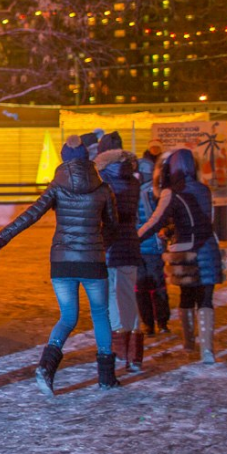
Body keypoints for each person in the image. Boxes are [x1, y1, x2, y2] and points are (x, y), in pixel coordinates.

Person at [0, 135, 120, 394]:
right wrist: (98, 244)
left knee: (68, 316)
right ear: (87, 158)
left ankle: (46, 366)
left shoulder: (56, 187)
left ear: (63, 160)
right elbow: (113, 225)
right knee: (100, 314)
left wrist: (2, 237)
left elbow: (30, 215)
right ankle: (106, 377)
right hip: (93, 261)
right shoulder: (103, 188)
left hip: (62, 262)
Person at [139, 149, 224, 364]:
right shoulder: (204, 190)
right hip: (208, 248)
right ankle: (207, 350)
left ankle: (189, 344)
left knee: (187, 297)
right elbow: (203, 220)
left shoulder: (171, 192)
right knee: (206, 299)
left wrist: (133, 238)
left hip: (186, 251)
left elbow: (155, 221)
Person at [95, 133, 144, 371]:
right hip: (131, 243)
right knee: (128, 294)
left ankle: (119, 348)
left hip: (110, 245)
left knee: (112, 296)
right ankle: (135, 353)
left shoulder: (102, 180)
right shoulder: (134, 180)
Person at [135, 153, 170, 336]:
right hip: (141, 247)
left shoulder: (155, 194)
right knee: (143, 288)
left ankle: (159, 322)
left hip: (152, 246)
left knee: (155, 286)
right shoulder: (137, 192)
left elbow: (164, 218)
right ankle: (150, 323)